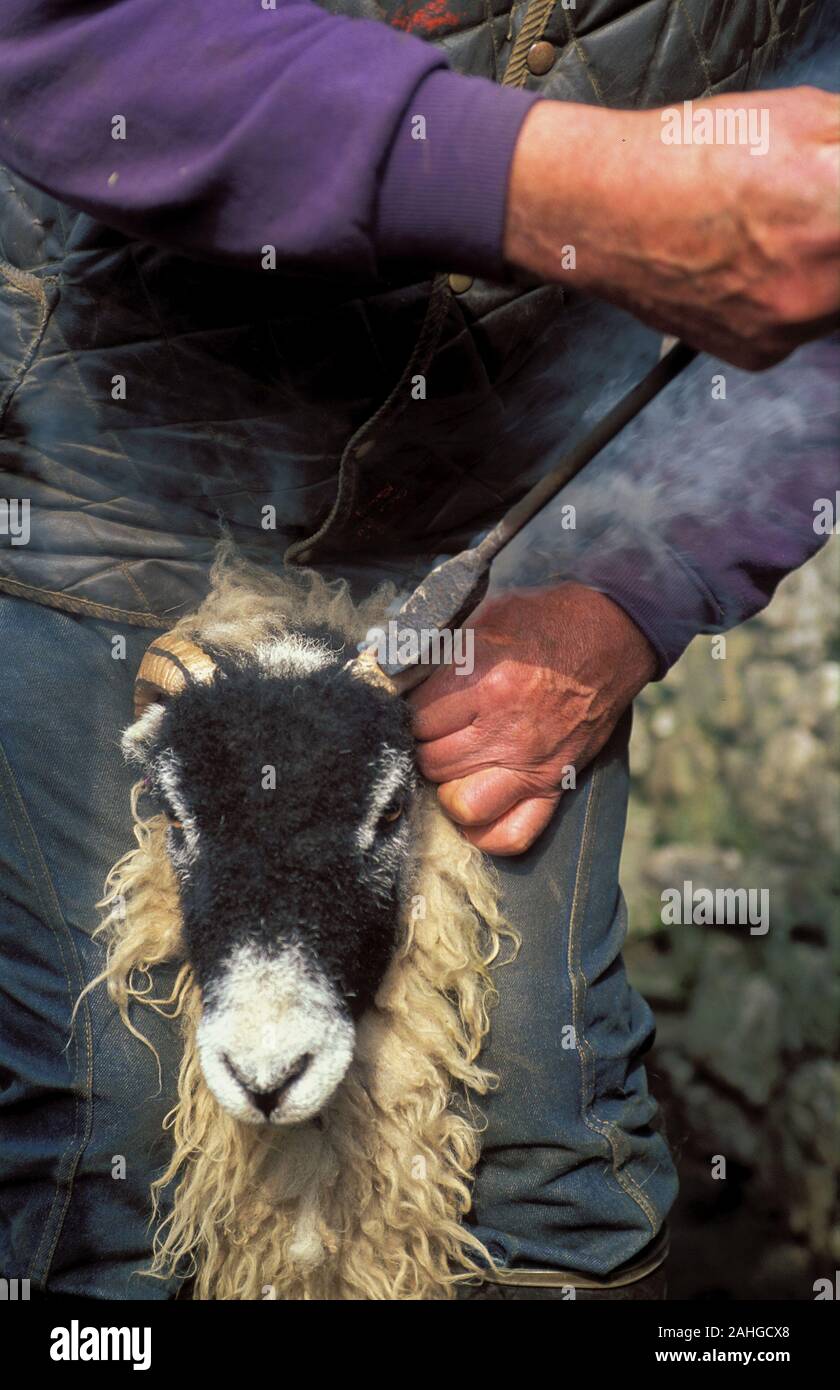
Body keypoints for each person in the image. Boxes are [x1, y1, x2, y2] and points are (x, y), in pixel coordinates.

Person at [0, 0, 837, 1300]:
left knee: (544, 1157)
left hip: (503, 506)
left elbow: (815, 217)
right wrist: (570, 189)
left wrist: (637, 584)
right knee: (114, 1149)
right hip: (106, 473)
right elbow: (54, 33)